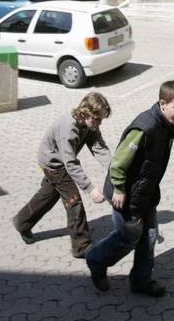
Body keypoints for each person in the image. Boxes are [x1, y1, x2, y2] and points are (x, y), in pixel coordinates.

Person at [86, 80, 174, 296]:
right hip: (123, 194)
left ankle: (141, 281)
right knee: (128, 237)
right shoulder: (146, 127)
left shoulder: (168, 124)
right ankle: (96, 260)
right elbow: (118, 164)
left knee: (149, 236)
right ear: (162, 103)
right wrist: (120, 190)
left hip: (145, 193)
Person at [12, 92, 112, 259]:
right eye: (97, 119)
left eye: (101, 120)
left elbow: (98, 146)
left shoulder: (90, 124)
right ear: (86, 113)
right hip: (54, 165)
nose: (99, 123)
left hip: (61, 162)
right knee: (74, 201)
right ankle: (82, 247)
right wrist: (90, 189)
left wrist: (114, 168)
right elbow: (70, 163)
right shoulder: (69, 128)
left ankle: (22, 222)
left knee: (48, 195)